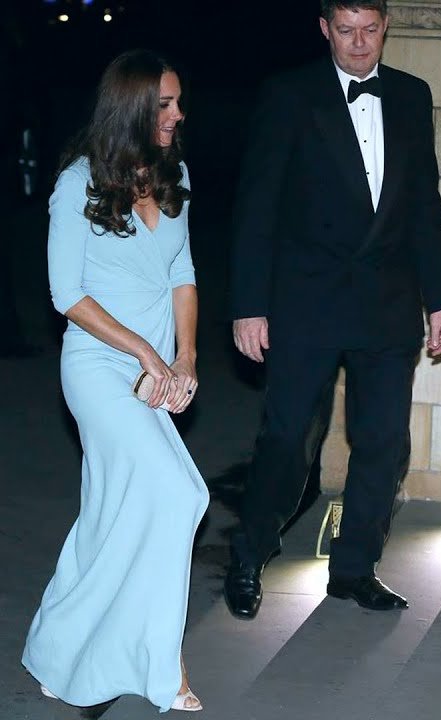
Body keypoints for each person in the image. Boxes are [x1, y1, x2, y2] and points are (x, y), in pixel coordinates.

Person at [224, 0, 441, 618]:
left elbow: (424, 205)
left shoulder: (412, 95)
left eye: (371, 30)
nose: (359, 44)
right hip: (306, 300)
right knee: (287, 439)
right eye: (346, 31)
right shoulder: (288, 94)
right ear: (325, 29)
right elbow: (258, 208)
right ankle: (249, 556)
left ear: (386, 27)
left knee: (384, 443)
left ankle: (354, 568)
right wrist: (249, 305)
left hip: (387, 303)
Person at [23, 49, 208, 712]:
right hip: (101, 370)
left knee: (111, 513)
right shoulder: (78, 183)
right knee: (178, 492)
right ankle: (164, 663)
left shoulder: (172, 173)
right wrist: (146, 354)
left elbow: (182, 274)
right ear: (131, 108)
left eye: (178, 102)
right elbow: (66, 294)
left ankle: (56, 651)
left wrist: (184, 358)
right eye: (165, 104)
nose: (177, 114)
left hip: (156, 374)